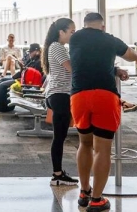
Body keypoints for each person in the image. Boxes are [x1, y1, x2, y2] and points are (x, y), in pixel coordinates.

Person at [69, 12, 137, 212]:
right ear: (102, 25)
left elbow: (88, 59)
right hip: (105, 95)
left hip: (79, 96)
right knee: (103, 149)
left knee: (84, 144)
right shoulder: (109, 39)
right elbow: (133, 56)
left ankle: (84, 192)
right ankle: (97, 199)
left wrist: (113, 68)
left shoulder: (75, 38)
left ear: (84, 25)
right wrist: (117, 62)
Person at [41, 18, 79, 186]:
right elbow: (73, 68)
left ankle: (58, 173)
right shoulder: (57, 47)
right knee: (59, 137)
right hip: (60, 95)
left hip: (58, 94)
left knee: (60, 136)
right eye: (71, 31)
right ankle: (57, 175)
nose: (74, 34)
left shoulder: (57, 47)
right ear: (61, 32)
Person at [0, 43, 43, 111]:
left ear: (37, 52)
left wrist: (18, 75)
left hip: (27, 84)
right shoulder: (33, 60)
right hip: (23, 80)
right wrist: (18, 72)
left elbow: (31, 75)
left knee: (2, 85)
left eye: (31, 52)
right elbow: (25, 71)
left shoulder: (39, 63)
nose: (29, 54)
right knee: (1, 80)